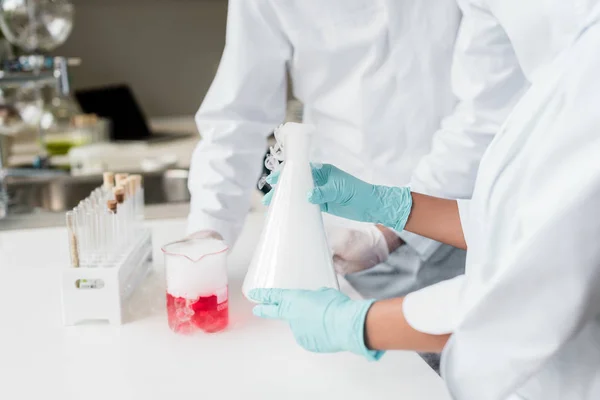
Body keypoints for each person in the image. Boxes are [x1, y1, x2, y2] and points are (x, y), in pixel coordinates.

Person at [251, 1, 600, 399]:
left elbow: (528, 304)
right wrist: (390, 207)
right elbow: (522, 228)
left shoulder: (589, 85)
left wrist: (351, 322)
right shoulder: (565, 74)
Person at [187, 0, 513, 306]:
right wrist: (206, 234)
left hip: (469, 224)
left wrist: (392, 228)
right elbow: (238, 117)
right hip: (344, 244)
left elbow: (488, 106)